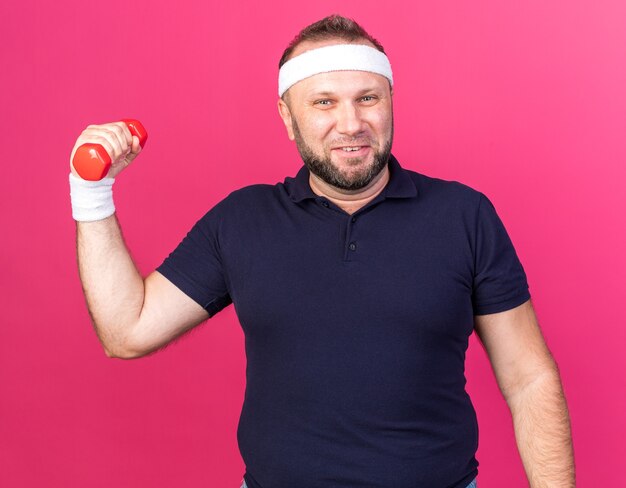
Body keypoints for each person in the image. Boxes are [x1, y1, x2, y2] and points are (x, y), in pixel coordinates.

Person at [69, 14, 575, 488]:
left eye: (368, 98)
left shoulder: (464, 215)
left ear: (392, 100)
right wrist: (91, 193)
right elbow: (127, 331)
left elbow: (529, 377)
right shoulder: (243, 219)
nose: (351, 123)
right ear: (288, 117)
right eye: (324, 102)